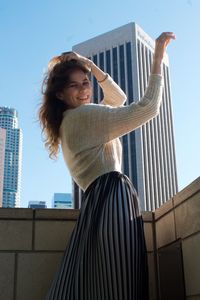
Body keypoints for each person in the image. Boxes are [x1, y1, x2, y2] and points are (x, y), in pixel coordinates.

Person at [39, 32, 175, 300]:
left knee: (102, 282)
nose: (84, 90)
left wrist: (89, 65)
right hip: (112, 198)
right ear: (60, 94)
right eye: (74, 86)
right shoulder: (83, 118)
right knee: (121, 279)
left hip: (97, 204)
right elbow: (147, 108)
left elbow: (117, 98)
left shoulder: (72, 121)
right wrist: (157, 56)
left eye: (85, 82)